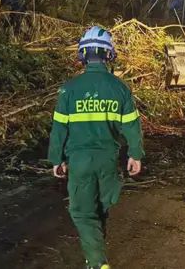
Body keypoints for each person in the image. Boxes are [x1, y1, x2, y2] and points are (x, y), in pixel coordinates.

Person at [48, 26, 145, 269]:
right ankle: (95, 257)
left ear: (82, 55)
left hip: (80, 161)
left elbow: (59, 129)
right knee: (100, 209)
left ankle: (97, 263)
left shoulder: (69, 90)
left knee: (82, 213)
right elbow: (132, 126)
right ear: (109, 55)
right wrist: (135, 155)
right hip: (108, 161)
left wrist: (56, 159)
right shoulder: (120, 88)